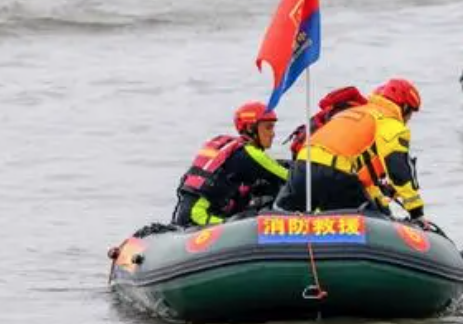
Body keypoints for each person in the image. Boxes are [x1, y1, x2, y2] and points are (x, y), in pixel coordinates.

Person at [275, 78, 427, 225]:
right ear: (405, 107)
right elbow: (398, 169)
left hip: (302, 168)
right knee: (371, 221)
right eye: (410, 114)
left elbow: (364, 180)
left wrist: (383, 207)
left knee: (278, 220)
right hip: (334, 176)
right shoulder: (389, 122)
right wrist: (416, 213)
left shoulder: (354, 112)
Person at [172, 102, 289, 227]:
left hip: (187, 215)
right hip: (199, 217)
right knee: (251, 218)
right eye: (268, 127)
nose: (273, 134)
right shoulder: (250, 154)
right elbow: (292, 177)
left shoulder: (229, 147)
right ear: (250, 128)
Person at [285, 86, 369, 158]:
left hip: (305, 150)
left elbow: (324, 103)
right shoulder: (362, 109)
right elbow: (324, 103)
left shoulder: (358, 106)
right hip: (312, 153)